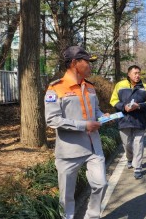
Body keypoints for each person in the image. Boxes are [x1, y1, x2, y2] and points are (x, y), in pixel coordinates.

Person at [44, 46, 108, 219]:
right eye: (87, 62)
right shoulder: (55, 88)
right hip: (69, 151)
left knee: (101, 183)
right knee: (66, 197)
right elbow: (52, 120)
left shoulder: (90, 87)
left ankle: (92, 216)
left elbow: (96, 111)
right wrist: (83, 125)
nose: (90, 66)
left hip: (94, 147)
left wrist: (104, 116)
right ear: (74, 63)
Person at [110, 65, 146, 179]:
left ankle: (137, 168)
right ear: (128, 74)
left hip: (139, 120)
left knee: (139, 144)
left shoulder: (145, 87)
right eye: (135, 73)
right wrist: (124, 107)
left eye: (139, 73)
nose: (137, 75)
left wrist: (139, 106)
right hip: (124, 120)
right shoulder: (120, 85)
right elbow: (113, 100)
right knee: (127, 143)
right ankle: (129, 158)